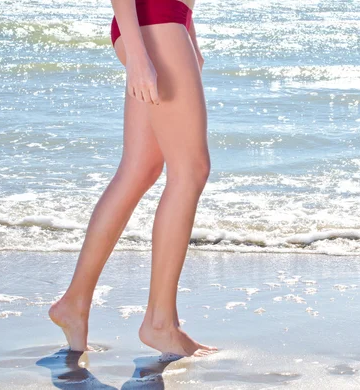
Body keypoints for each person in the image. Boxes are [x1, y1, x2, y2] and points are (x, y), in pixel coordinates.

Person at [48, 0, 218, 358]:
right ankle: (159, 325)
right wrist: (139, 55)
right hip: (153, 22)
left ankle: (73, 304)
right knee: (190, 172)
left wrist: (190, 34)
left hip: (164, 21)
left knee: (139, 169)